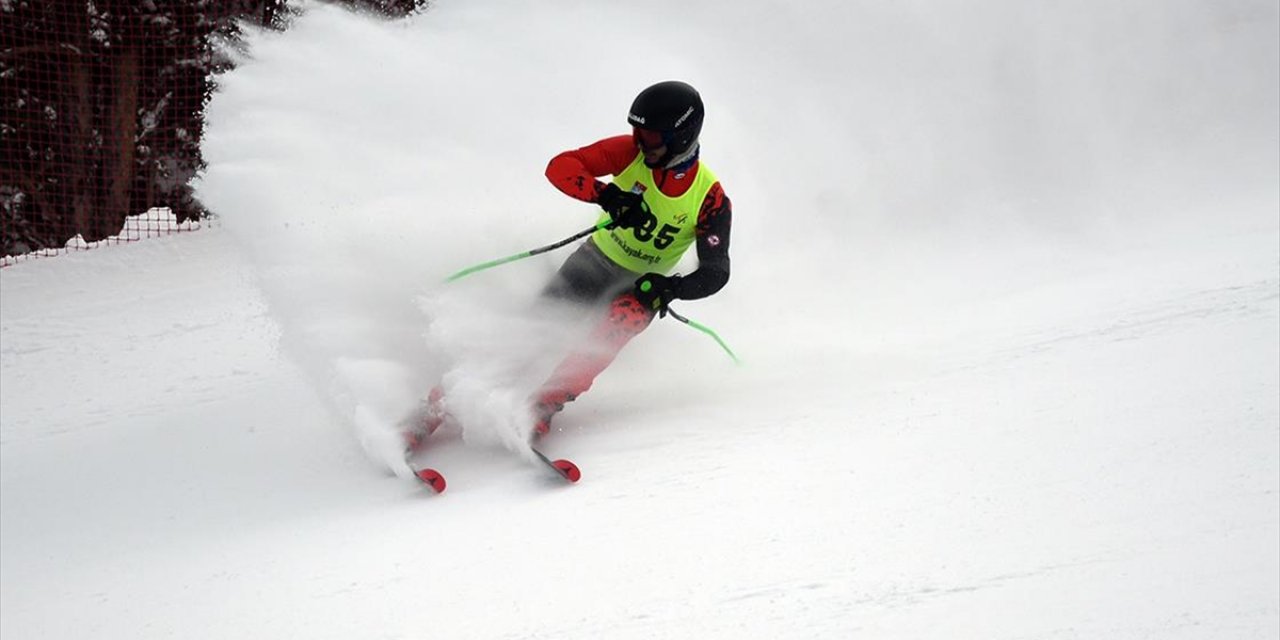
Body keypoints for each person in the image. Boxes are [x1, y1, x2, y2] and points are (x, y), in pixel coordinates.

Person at [406, 80, 732, 449]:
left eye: (651, 136)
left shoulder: (710, 198)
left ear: (682, 137)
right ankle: (436, 406)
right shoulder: (629, 153)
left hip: (640, 287)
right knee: (530, 336)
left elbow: (716, 272)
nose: (640, 142)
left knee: (622, 320)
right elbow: (560, 167)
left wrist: (667, 288)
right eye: (636, 132)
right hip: (594, 263)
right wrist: (607, 195)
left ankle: (542, 405)